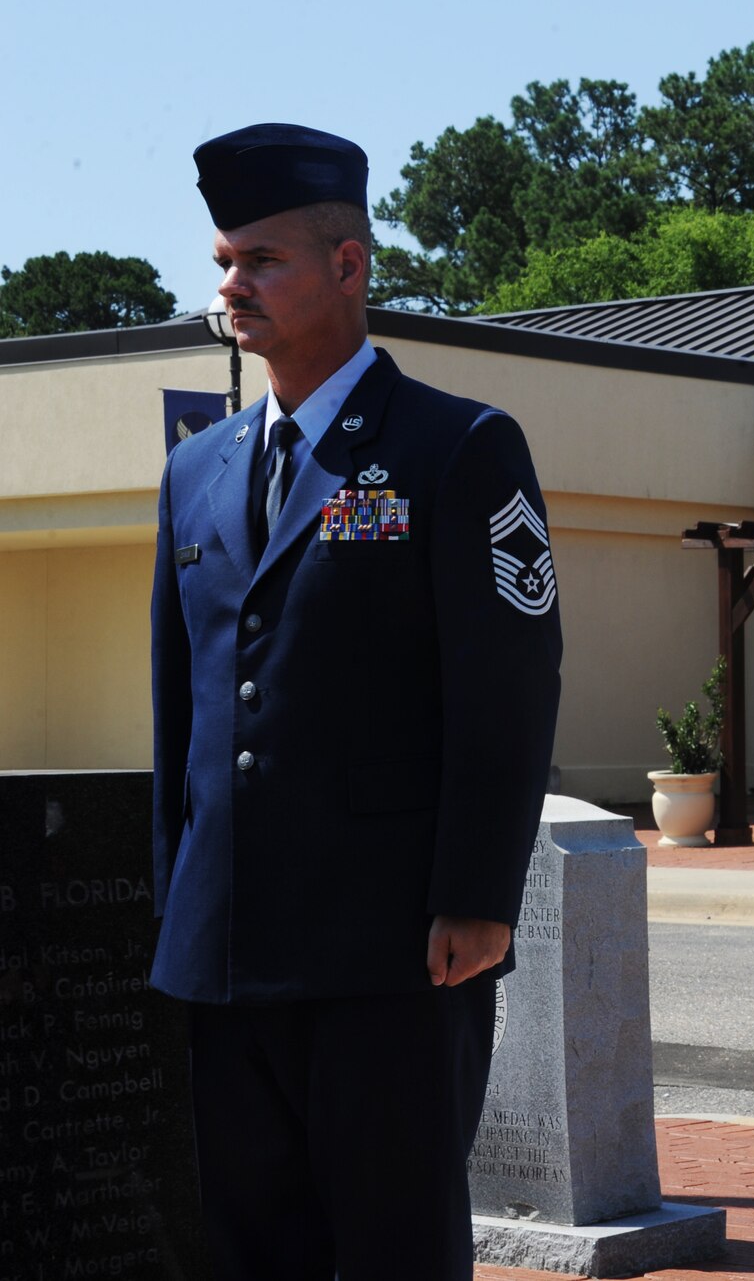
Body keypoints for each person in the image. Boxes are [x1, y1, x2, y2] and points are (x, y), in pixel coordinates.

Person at [150, 125, 563, 1279]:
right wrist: (173, 907)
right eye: (226, 260)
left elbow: (510, 684)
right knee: (246, 1251)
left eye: (263, 260)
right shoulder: (197, 468)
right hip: (226, 953)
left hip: (394, 952)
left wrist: (478, 896)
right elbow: (180, 707)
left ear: (347, 267)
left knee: (392, 1250)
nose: (233, 285)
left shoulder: (458, 448)